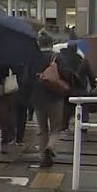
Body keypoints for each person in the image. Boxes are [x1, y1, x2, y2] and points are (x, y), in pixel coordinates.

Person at [32, 30, 66, 168]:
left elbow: (27, 77)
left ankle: (42, 155)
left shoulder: (33, 58)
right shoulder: (57, 58)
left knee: (42, 129)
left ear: (38, 43)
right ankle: (50, 148)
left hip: (38, 97)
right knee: (56, 128)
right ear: (51, 44)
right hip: (55, 97)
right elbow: (64, 75)